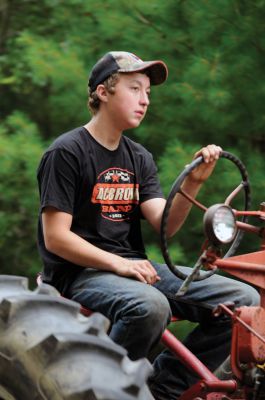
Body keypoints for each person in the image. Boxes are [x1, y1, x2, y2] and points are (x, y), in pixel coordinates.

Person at [37, 51, 259, 399]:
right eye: (134, 88)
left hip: (131, 267)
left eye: (148, 94)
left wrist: (194, 183)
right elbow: (56, 238)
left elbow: (164, 225)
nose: (144, 100)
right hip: (80, 273)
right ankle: (97, 390)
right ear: (102, 92)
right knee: (149, 306)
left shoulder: (138, 156)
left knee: (243, 302)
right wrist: (120, 264)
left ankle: (164, 387)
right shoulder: (67, 152)